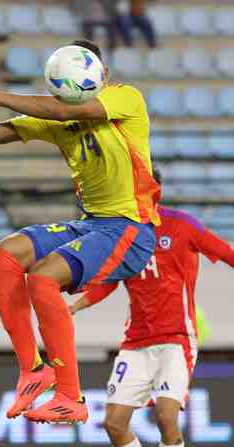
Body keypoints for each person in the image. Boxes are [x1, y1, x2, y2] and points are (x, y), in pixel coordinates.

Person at [0, 39, 160, 424]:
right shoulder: (58, 119)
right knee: (4, 254)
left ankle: (71, 396)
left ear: (100, 74)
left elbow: (58, 108)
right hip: (92, 223)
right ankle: (34, 370)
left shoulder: (126, 99)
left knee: (41, 279)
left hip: (132, 229)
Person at [69, 169, 234, 447]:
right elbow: (109, 281)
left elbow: (227, 253)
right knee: (113, 424)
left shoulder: (183, 225)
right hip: (136, 343)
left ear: (152, 189)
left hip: (176, 339)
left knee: (166, 417)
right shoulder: (121, 232)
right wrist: (74, 307)